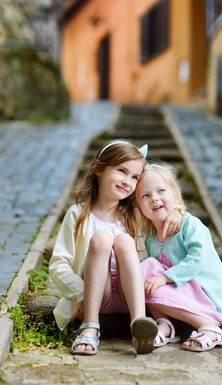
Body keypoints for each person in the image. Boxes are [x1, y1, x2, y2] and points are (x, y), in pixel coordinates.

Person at [49, 141, 181, 356]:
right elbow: (58, 264)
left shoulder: (136, 213)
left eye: (134, 177)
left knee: (124, 241)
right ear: (99, 168)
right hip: (96, 294)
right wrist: (80, 293)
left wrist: (175, 212)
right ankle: (90, 327)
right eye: (121, 171)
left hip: (130, 291)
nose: (127, 181)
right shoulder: (77, 214)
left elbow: (162, 206)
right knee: (101, 239)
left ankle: (139, 323)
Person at [135, 162, 222, 352]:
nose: (154, 199)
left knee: (152, 279)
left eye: (161, 191)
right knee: (143, 271)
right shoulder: (149, 237)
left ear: (175, 195)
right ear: (139, 206)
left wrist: (164, 278)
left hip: (208, 295)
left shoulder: (190, 225)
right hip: (182, 292)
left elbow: (197, 259)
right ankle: (164, 325)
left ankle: (209, 327)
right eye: (145, 195)